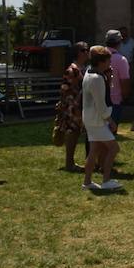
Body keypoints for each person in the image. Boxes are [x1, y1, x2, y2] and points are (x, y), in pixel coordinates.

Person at [80, 45, 122, 192]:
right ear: (102, 62)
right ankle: (106, 180)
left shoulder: (88, 73)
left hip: (89, 118)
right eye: (108, 61)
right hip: (97, 120)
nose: (110, 64)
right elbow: (101, 105)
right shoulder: (97, 79)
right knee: (114, 148)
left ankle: (87, 182)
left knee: (94, 150)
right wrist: (110, 120)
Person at [54, 42, 89, 172]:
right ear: (77, 52)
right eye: (84, 50)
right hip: (72, 107)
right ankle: (69, 163)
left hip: (80, 106)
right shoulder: (72, 70)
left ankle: (71, 162)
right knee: (72, 133)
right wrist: (63, 108)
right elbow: (64, 89)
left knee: (76, 133)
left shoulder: (83, 68)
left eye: (87, 50)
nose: (87, 52)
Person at [104, 29, 131, 129]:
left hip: (98, 99)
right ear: (119, 43)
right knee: (111, 131)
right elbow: (125, 81)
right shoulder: (121, 60)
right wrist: (125, 96)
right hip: (114, 100)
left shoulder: (98, 56)